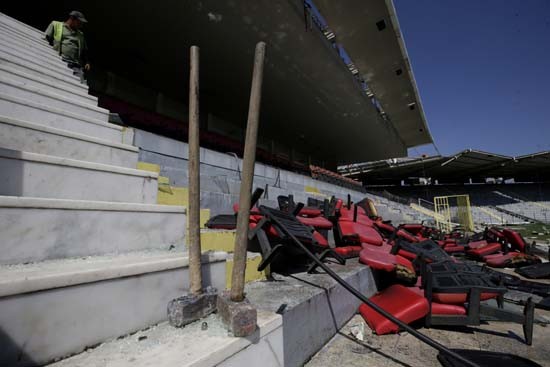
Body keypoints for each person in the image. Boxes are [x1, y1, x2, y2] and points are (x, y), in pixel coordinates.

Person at [44, 11, 90, 83]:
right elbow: (46, 40)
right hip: (60, 60)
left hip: (75, 65)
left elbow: (84, 50)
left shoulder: (80, 35)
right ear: (72, 19)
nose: (81, 25)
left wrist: (87, 62)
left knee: (80, 83)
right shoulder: (56, 25)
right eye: (79, 22)